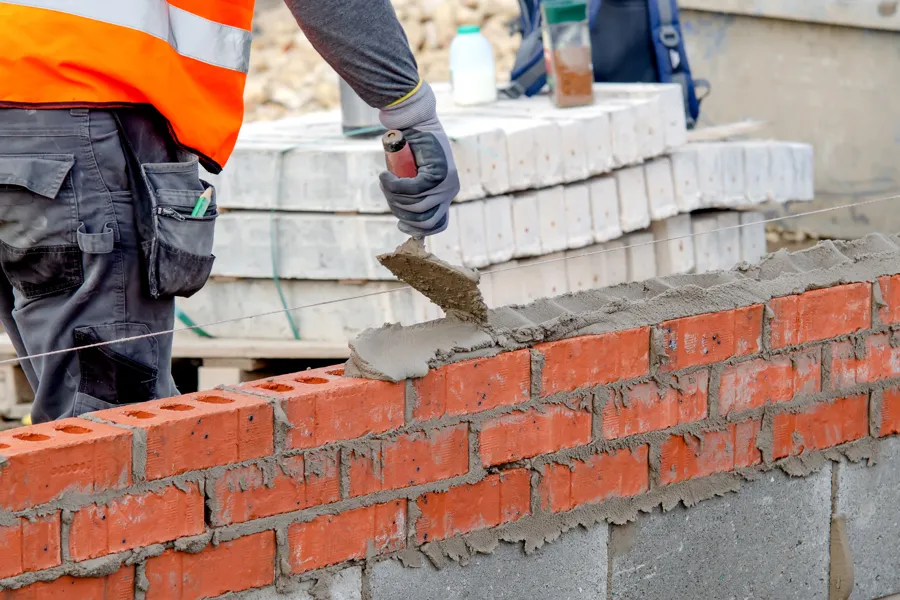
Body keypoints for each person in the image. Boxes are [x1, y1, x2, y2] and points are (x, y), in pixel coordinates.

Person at [0, 0, 460, 423]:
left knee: (66, 420)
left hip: (37, 108)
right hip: (79, 108)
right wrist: (408, 107)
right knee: (112, 431)